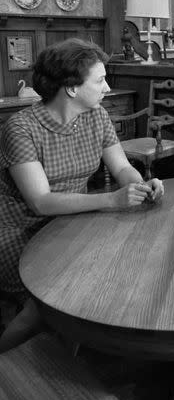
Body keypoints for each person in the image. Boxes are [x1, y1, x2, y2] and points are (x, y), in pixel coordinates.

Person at [0, 38, 164, 352]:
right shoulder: (20, 128)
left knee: (115, 271)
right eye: (100, 80)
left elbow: (121, 167)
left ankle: (84, 355)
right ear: (72, 88)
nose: (106, 88)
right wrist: (112, 200)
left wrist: (141, 183)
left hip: (72, 221)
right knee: (44, 305)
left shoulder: (96, 115)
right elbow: (41, 201)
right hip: (19, 228)